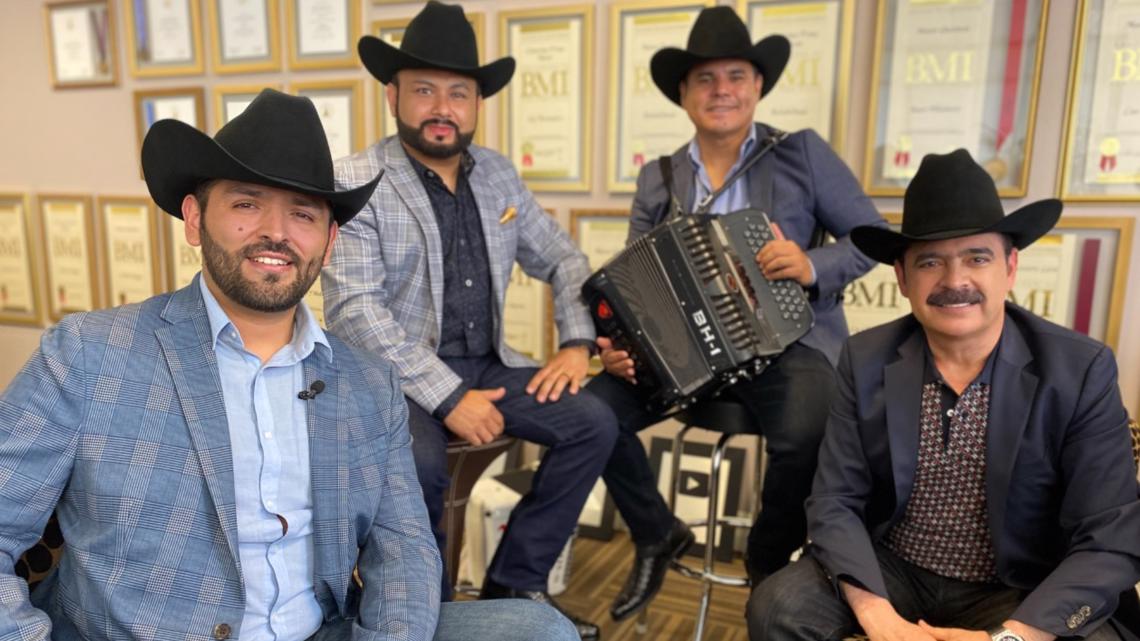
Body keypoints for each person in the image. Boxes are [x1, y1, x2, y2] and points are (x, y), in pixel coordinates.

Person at [0, 89, 577, 641]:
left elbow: (404, 551)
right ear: (195, 219)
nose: (275, 232)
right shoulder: (87, 352)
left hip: (318, 631)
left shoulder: (369, 385)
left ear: (328, 245)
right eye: (247, 204)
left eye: (302, 215)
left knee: (542, 629)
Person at [747, 149, 1140, 641]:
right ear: (903, 279)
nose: (955, 282)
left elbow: (1109, 538)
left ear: (1010, 267)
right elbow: (835, 501)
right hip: (895, 569)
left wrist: (1013, 637)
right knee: (776, 609)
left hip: (1020, 584)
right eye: (930, 261)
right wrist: (878, 618)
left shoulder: (1081, 369)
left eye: (977, 258)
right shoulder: (864, 357)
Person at [322, 3, 616, 638]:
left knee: (594, 421)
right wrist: (448, 397)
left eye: (458, 92)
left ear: (478, 102)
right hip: (391, 380)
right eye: (424, 89)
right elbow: (354, 313)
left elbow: (564, 257)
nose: (442, 106)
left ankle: (513, 584)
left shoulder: (499, 176)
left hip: (487, 361)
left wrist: (576, 342)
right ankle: (425, 612)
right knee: (418, 465)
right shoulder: (354, 180)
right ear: (392, 93)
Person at [585, 6, 885, 621]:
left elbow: (871, 237)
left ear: (757, 86)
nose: (721, 90)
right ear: (684, 94)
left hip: (787, 344)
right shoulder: (659, 177)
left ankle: (767, 570)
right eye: (705, 79)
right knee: (588, 416)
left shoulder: (800, 154)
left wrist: (810, 265)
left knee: (808, 431)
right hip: (685, 358)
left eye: (736, 76)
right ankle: (654, 532)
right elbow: (628, 282)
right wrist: (614, 343)